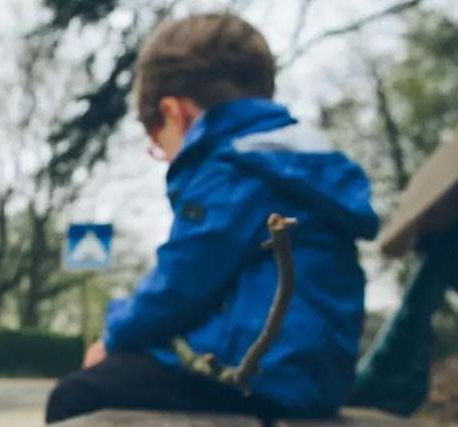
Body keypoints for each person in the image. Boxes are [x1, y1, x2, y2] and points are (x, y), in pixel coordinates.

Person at [45, 12, 380, 424]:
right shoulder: (298, 163)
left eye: (158, 143)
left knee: (78, 393)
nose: (165, 157)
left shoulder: (232, 168)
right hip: (312, 378)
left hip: (256, 378)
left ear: (175, 113)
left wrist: (113, 335)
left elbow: (181, 285)